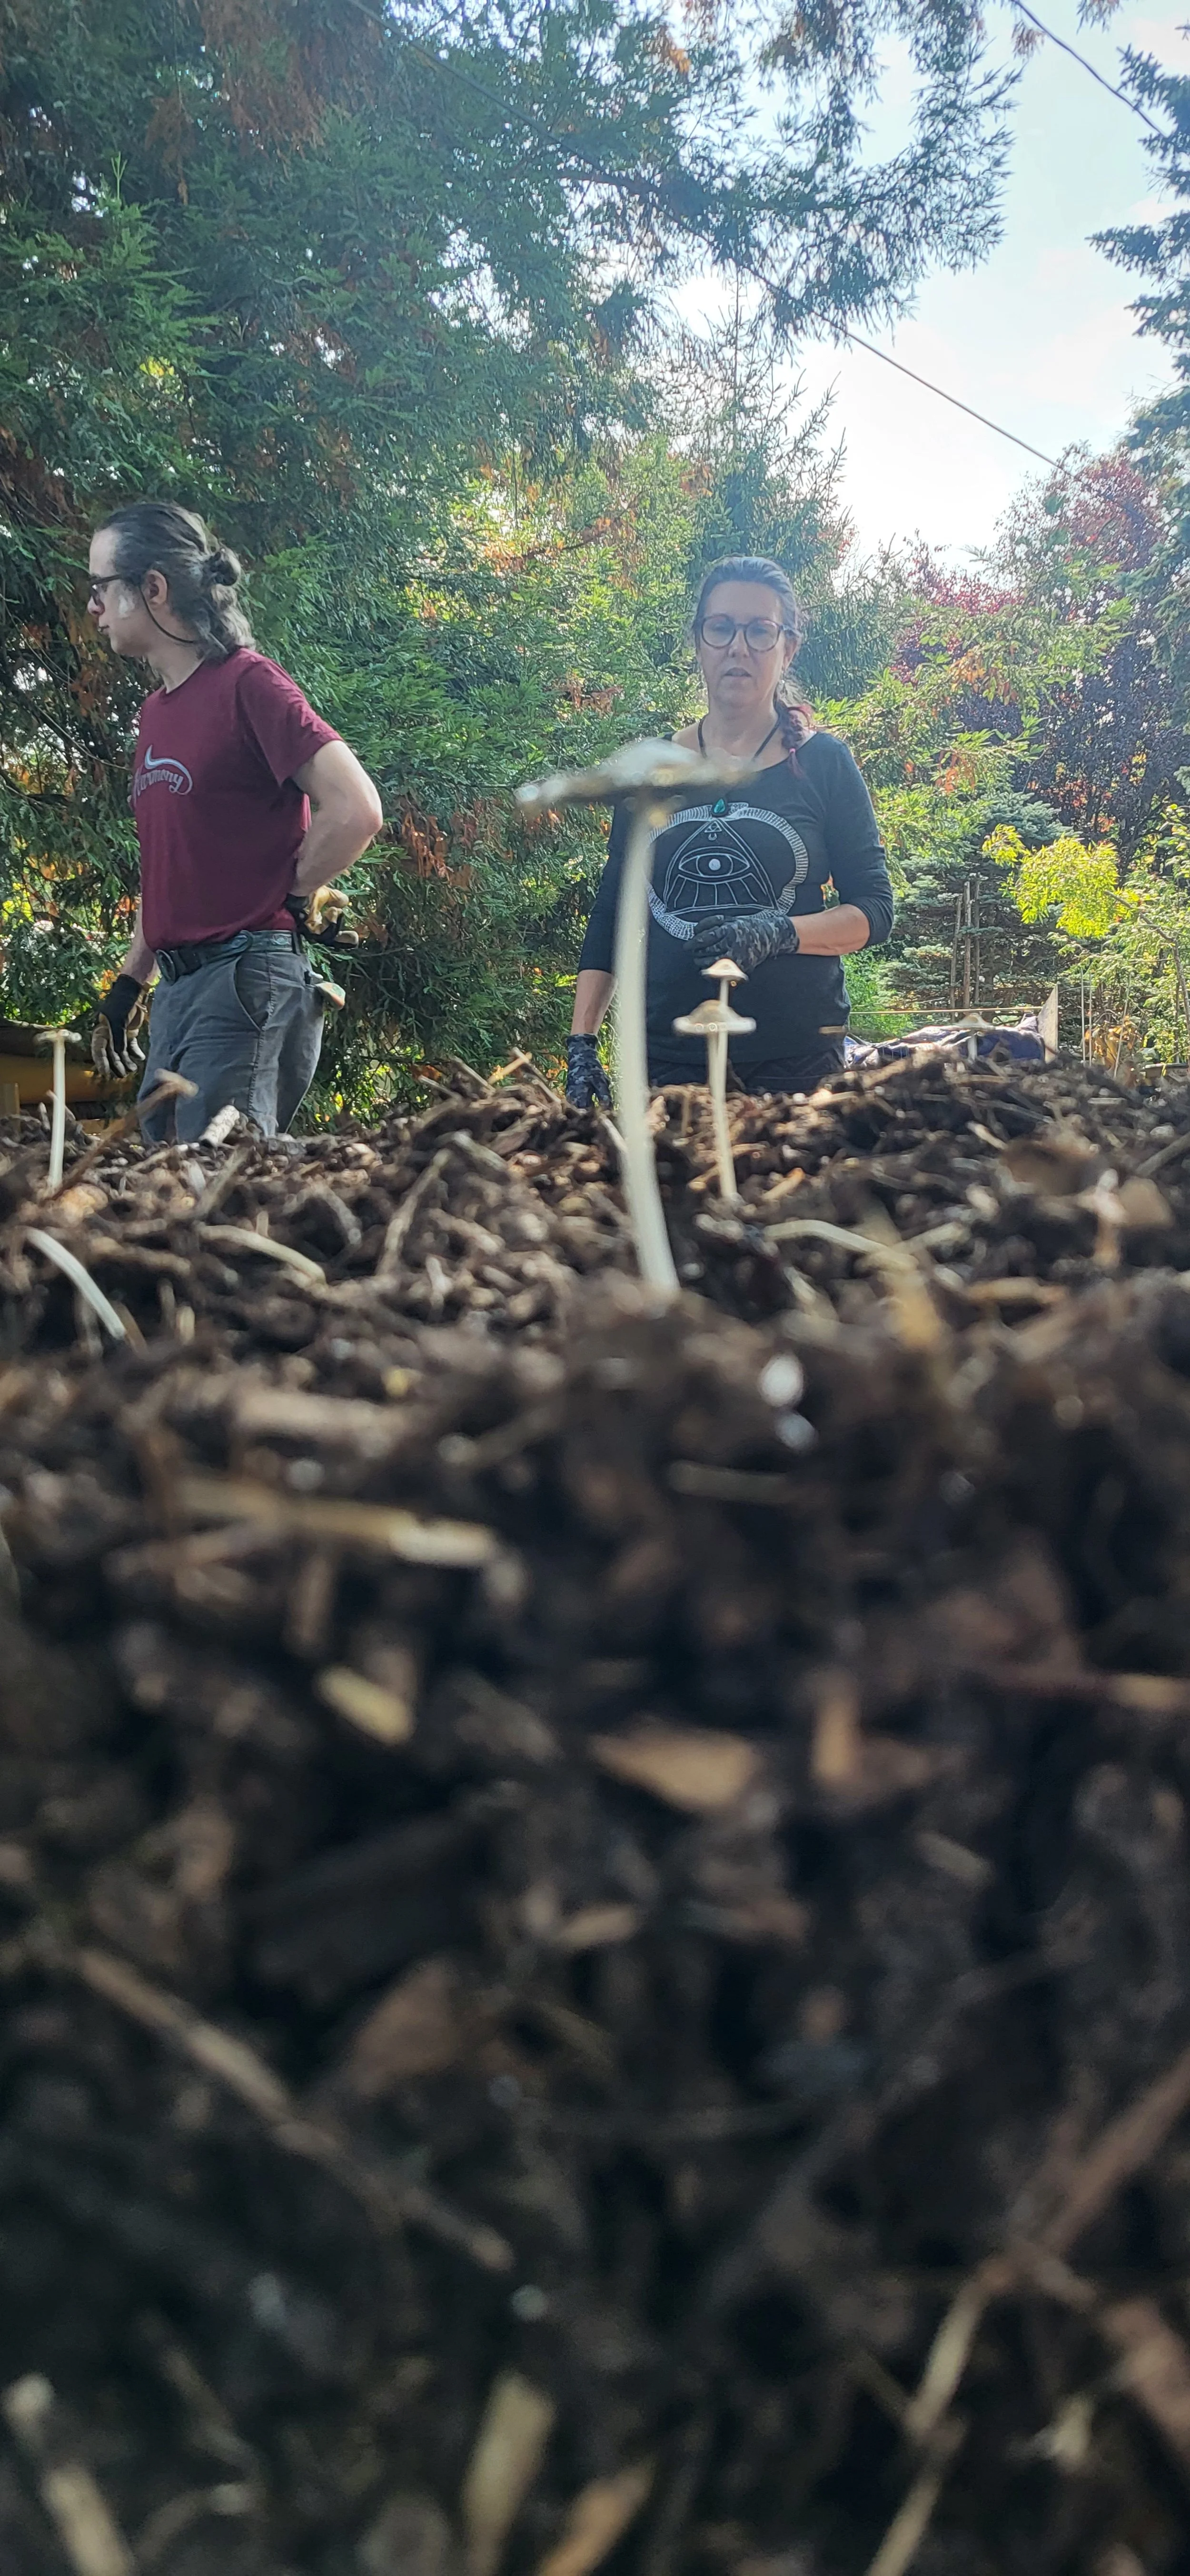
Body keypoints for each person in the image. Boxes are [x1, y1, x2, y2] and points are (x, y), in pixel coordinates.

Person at [87, 501, 383, 1141]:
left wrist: (295, 893)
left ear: (154, 588)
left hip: (245, 983)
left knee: (214, 1195)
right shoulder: (155, 715)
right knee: (158, 1196)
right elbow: (172, 866)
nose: (93, 606)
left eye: (102, 587)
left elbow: (356, 808)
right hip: (177, 992)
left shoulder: (249, 685)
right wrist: (128, 984)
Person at [566, 555, 894, 1104]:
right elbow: (611, 917)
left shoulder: (825, 763)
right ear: (698, 641)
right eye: (720, 628)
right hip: (667, 1057)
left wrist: (781, 932)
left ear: (787, 647)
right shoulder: (651, 773)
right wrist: (582, 1045)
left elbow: (875, 911)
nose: (737, 647)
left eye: (759, 631)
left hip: (798, 1060)